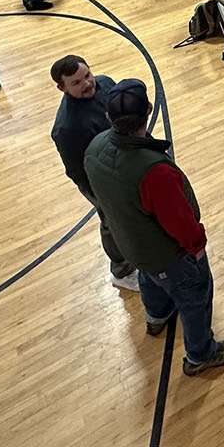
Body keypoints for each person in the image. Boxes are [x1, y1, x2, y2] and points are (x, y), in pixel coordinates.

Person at [83, 79, 224, 372]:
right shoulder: (153, 171)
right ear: (148, 110)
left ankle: (156, 317)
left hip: (131, 244)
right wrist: (196, 248)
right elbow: (180, 222)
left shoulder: (94, 148)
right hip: (168, 255)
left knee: (149, 277)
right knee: (196, 297)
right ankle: (200, 356)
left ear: (109, 117)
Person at [49, 55, 136, 290]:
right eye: (76, 83)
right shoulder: (66, 128)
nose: (87, 84)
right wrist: (103, 194)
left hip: (124, 163)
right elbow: (77, 171)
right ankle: (121, 271)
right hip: (99, 180)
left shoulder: (105, 83)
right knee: (112, 220)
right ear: (62, 87)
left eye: (87, 76)